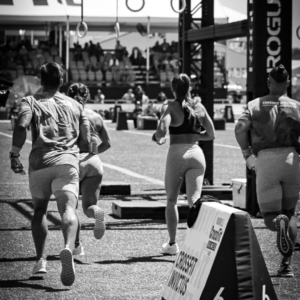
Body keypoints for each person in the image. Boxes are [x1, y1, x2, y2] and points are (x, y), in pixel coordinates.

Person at [9, 62, 90, 286]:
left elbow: (21, 126)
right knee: (68, 208)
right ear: (62, 80)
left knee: (40, 211)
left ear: (41, 80)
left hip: (40, 162)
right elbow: (88, 140)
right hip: (67, 163)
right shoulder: (76, 104)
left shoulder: (31, 101)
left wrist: (14, 154)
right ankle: (68, 246)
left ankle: (40, 260)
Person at [234, 64, 300, 277]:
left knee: (272, 216)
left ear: (269, 83)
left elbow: (240, 128)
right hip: (291, 159)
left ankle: (276, 225)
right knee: (290, 214)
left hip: (266, 160)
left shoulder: (254, 105)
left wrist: (246, 153)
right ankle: (286, 265)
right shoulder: (297, 106)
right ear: (287, 83)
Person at [152, 73, 215, 255]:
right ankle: (201, 240)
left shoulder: (170, 106)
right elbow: (211, 134)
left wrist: (159, 137)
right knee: (194, 200)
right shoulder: (199, 107)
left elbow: (162, 129)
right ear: (190, 87)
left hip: (177, 154)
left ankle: (172, 244)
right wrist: (195, 136)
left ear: (172, 89)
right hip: (197, 153)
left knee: (172, 200)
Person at [67, 83, 111, 255]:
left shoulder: (67, 115)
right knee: (89, 206)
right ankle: (97, 213)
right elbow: (107, 143)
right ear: (87, 96)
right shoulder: (96, 116)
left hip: (73, 161)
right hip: (93, 161)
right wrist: (93, 153)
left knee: (72, 207)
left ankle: (76, 245)